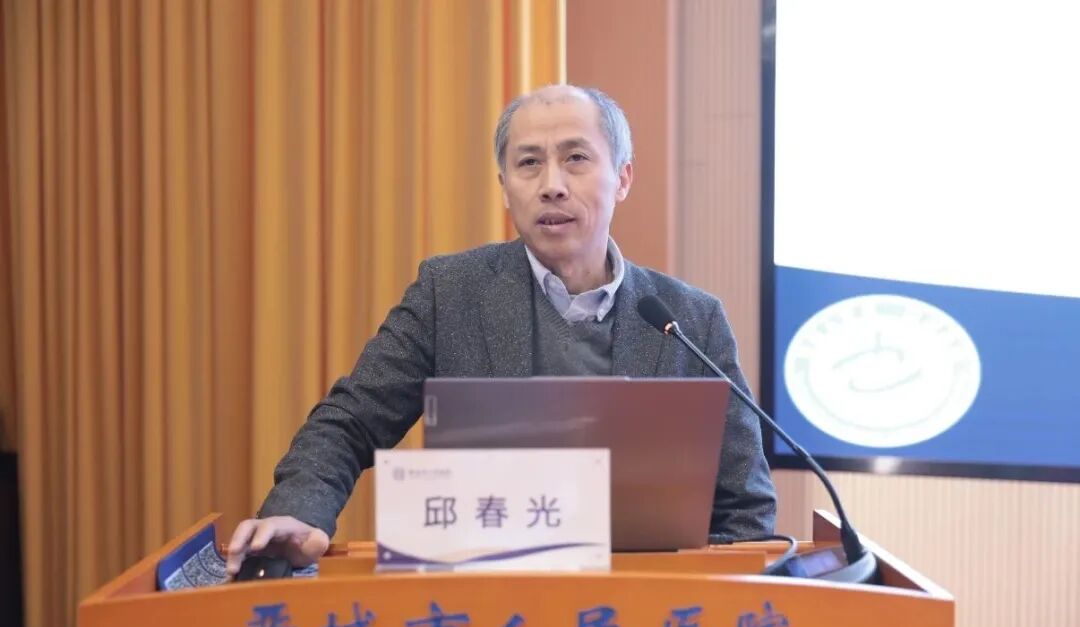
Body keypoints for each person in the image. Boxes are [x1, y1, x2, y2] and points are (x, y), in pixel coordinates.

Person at [225, 84, 776, 575]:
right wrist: (299, 510)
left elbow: (745, 509)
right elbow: (350, 421)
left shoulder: (690, 319)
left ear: (623, 178)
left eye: (576, 158)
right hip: (483, 603)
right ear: (505, 186)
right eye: (529, 163)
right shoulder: (450, 293)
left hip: (642, 616)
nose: (552, 185)